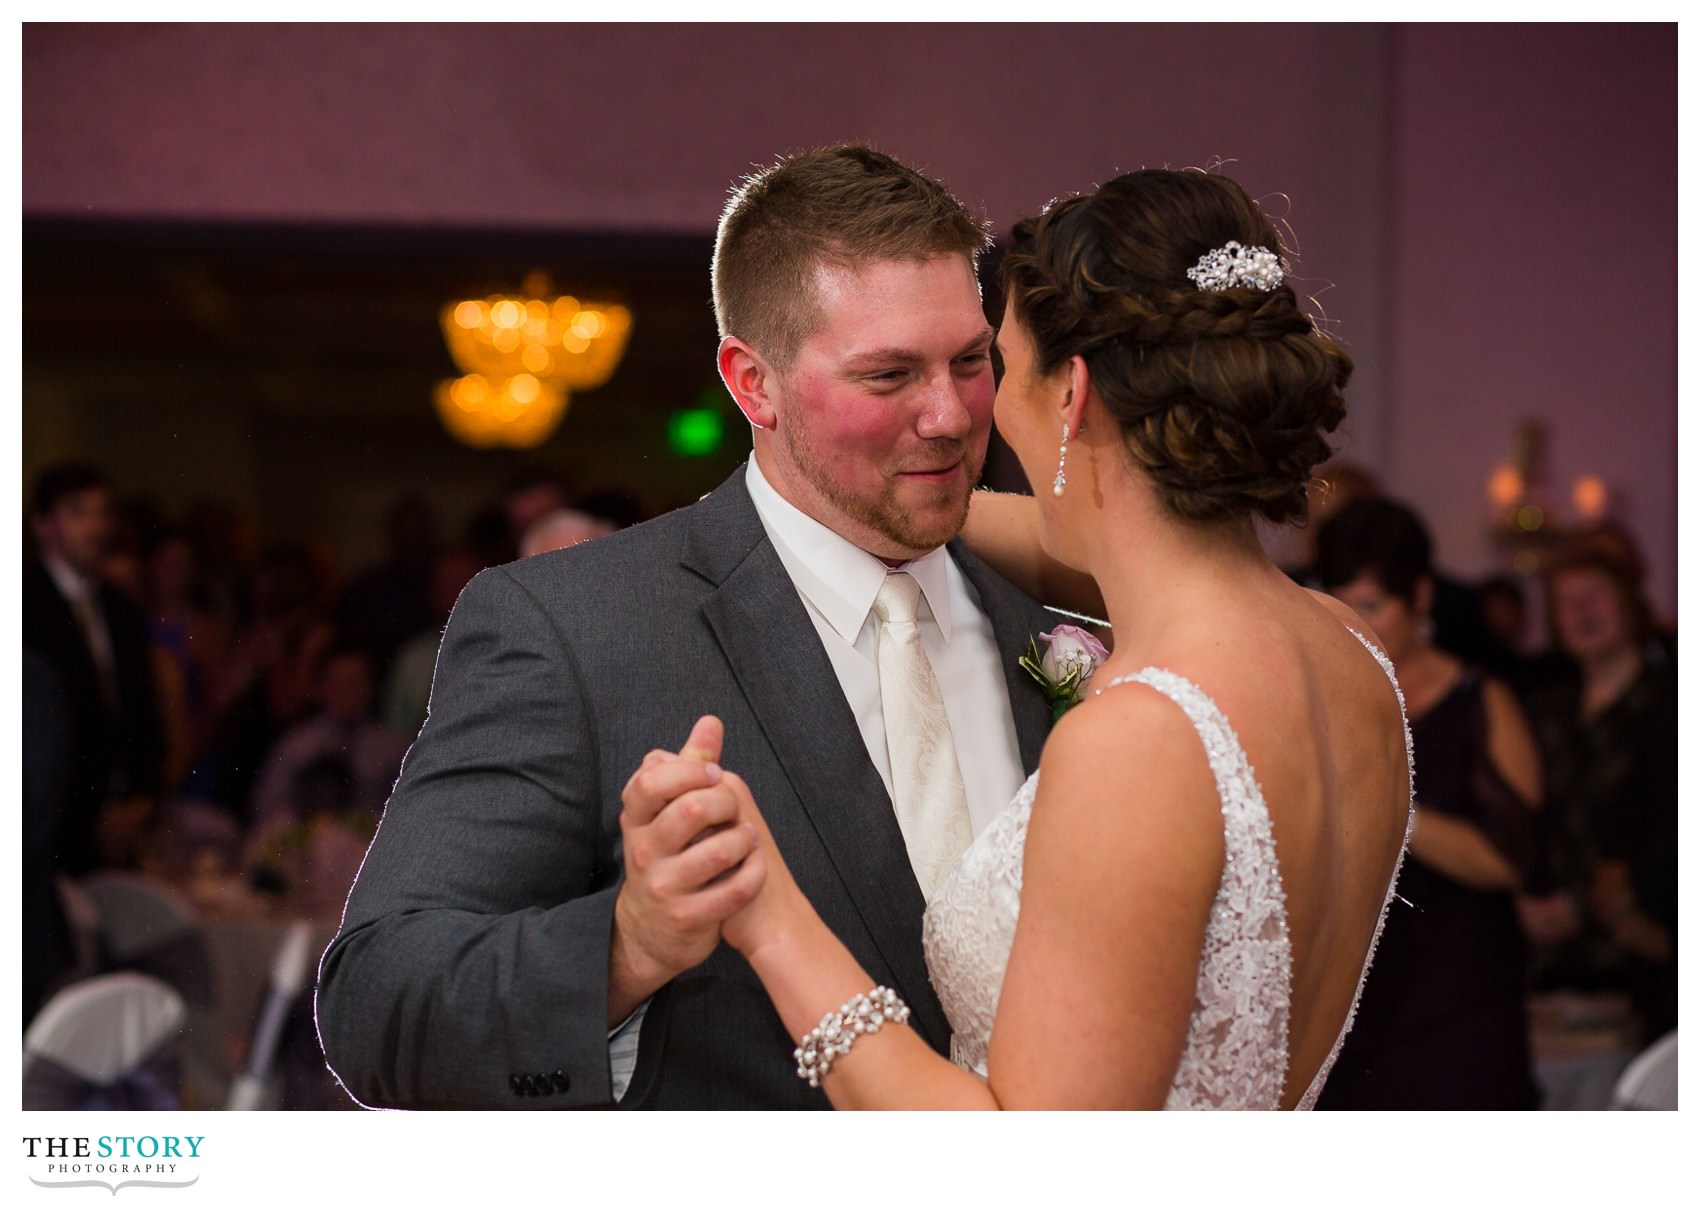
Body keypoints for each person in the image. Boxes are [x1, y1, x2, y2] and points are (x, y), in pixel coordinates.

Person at [630, 167, 1414, 1108]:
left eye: (988, 362)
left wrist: (769, 916)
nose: (965, 412)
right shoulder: (1348, 651)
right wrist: (882, 480)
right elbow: (1039, 531)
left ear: (1071, 393)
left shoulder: (1137, 740)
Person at [315, 144, 1059, 1109]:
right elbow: (380, 1003)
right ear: (754, 385)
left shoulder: (1057, 625)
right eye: (888, 377)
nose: (951, 417)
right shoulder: (572, 630)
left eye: (970, 363)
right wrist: (627, 947)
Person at [1310, 496, 1545, 1109]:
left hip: (1458, 999)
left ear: (1422, 598)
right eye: (1339, 605)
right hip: (1350, 1004)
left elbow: (1511, 859)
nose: (1355, 625)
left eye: (1372, 606)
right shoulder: (1323, 698)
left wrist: (1396, 811)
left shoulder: (1480, 700)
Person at [1525, 545, 1676, 1046]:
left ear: (1630, 605)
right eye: (1567, 603)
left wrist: (1592, 906)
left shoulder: (1668, 707)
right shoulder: (1546, 713)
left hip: (1644, 959)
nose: (1582, 613)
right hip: (1547, 965)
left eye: (1595, 597)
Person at [23, 460, 165, 874]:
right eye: (78, 512)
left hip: (120, 820)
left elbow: (142, 713)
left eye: (103, 512)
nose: (96, 526)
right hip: (54, 828)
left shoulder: (121, 610)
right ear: (43, 524)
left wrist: (140, 799)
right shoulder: (24, 607)